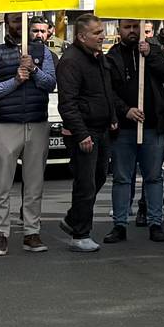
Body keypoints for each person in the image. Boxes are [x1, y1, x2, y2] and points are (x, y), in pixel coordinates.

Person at [0, 17, 57, 255]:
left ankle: (31, 232)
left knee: (34, 185)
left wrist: (34, 69)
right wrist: (15, 81)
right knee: (1, 185)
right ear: (7, 23)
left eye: (22, 20)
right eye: (15, 20)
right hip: (6, 124)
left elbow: (50, 83)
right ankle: (1, 233)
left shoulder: (43, 52)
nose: (19, 25)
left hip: (37, 123)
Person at [53, 14, 117, 252]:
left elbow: (106, 91)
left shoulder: (98, 57)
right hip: (85, 132)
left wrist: (112, 118)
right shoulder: (71, 61)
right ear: (81, 36)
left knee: (98, 177)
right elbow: (67, 103)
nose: (102, 36)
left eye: (102, 32)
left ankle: (73, 219)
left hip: (101, 129)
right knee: (85, 184)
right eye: (97, 33)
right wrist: (81, 134)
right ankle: (80, 234)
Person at [106, 21, 164, 242]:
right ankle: (119, 224)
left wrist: (151, 55)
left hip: (153, 126)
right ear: (119, 30)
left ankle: (156, 223)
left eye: (136, 27)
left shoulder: (153, 51)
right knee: (122, 178)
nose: (132, 31)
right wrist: (125, 110)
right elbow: (108, 91)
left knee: (153, 177)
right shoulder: (112, 56)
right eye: (127, 27)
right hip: (124, 129)